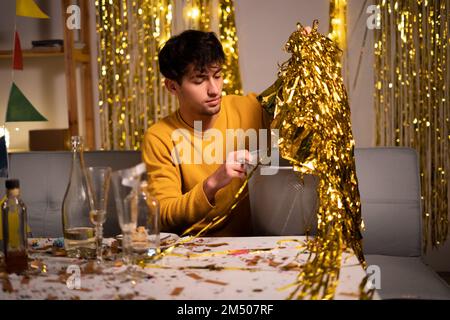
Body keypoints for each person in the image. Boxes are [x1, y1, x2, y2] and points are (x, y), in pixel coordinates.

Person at [142, 28, 309, 236]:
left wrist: (306, 53)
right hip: (194, 252)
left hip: (254, 249)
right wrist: (213, 183)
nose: (214, 89)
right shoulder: (159, 137)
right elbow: (164, 216)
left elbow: (293, 95)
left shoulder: (250, 108)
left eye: (218, 75)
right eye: (199, 80)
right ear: (172, 86)